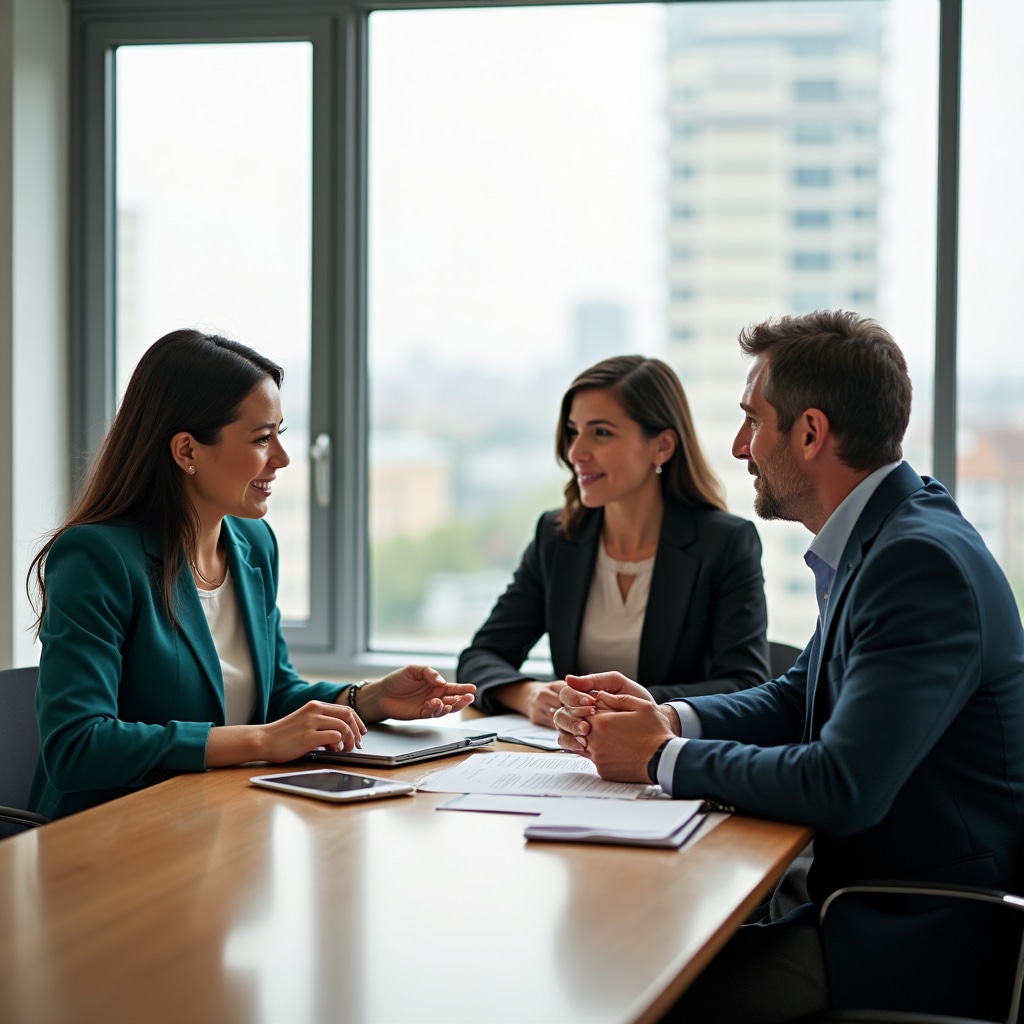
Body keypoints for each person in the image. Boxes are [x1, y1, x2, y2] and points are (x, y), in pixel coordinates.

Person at [554, 311, 1024, 1021]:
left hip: (915, 932)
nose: (739, 446)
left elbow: (842, 786)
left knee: (640, 992)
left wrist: (658, 758)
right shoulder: (885, 534)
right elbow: (798, 694)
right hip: (860, 900)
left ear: (809, 434)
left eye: (753, 420)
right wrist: (667, 717)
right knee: (642, 953)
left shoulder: (916, 562)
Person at [27, 329, 476, 820]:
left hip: (214, 820)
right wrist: (261, 740)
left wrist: (370, 698)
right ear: (187, 451)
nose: (282, 458)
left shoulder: (254, 545)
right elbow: (77, 746)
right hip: (111, 833)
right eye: (262, 439)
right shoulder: (97, 558)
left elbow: (274, 693)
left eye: (280, 433)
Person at [457, 355, 770, 726]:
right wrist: (527, 694)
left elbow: (745, 684)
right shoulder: (557, 537)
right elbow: (481, 656)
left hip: (671, 752)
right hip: (568, 752)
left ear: (662, 446)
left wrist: (627, 706)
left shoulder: (725, 543)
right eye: (573, 431)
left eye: (601, 433)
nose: (576, 452)